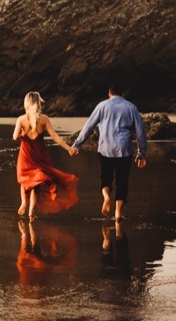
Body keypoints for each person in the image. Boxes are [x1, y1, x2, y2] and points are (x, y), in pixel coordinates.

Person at [71, 85, 147, 222]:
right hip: (124, 150)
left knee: (105, 177)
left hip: (105, 149)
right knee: (122, 181)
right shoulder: (131, 107)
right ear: (122, 94)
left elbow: (89, 126)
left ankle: (106, 197)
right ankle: (118, 212)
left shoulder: (102, 106)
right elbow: (140, 131)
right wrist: (141, 152)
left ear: (109, 94)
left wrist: (77, 144)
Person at [14, 92, 79, 221]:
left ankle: (24, 202)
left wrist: (22, 134)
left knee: (24, 180)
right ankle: (31, 212)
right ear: (38, 103)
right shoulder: (44, 119)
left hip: (25, 155)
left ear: (26, 103)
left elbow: (15, 137)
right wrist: (69, 149)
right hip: (39, 157)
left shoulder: (21, 119)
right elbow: (54, 137)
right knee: (36, 184)